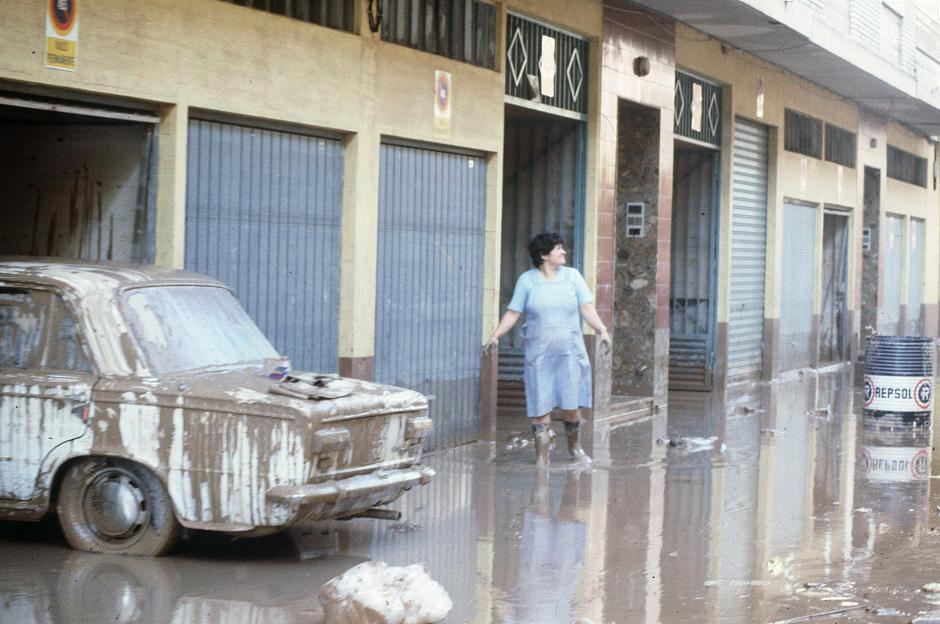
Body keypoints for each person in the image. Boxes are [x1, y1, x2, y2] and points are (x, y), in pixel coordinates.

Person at [485, 232, 611, 468]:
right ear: (544, 255)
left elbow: (586, 308)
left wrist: (602, 330)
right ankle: (542, 458)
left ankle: (575, 447)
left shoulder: (573, 277)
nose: (563, 252)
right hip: (540, 355)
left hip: (570, 353)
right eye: (558, 249)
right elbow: (513, 312)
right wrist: (496, 335)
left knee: (571, 407)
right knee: (540, 407)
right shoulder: (527, 281)